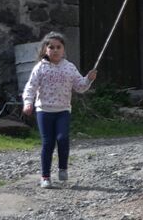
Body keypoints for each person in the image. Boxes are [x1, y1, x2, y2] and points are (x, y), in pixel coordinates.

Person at [21, 32, 97, 188]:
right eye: (51, 47)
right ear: (45, 50)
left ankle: (63, 168)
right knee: (48, 143)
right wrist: (28, 103)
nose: (55, 50)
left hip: (63, 111)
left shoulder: (69, 67)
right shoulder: (40, 68)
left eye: (58, 47)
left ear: (63, 50)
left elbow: (80, 87)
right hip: (44, 111)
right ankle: (45, 177)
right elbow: (30, 87)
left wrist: (89, 79)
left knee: (62, 138)